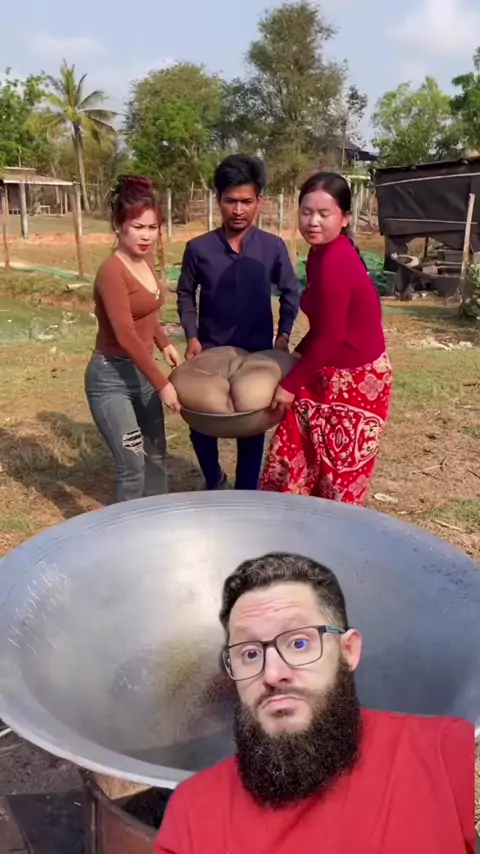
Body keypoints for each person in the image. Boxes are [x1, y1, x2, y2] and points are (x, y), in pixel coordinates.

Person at [154, 551, 475, 854]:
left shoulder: (442, 751)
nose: (272, 674)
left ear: (348, 651)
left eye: (298, 643)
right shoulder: (192, 813)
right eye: (250, 653)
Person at [260, 172, 392, 505]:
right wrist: (297, 357)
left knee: (337, 481)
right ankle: (283, 521)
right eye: (306, 212)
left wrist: (291, 384)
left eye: (324, 213)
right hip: (326, 369)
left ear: (345, 218)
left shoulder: (336, 259)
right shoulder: (319, 254)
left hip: (357, 382)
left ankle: (328, 532)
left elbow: (332, 335)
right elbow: (323, 327)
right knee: (291, 455)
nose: (313, 221)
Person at [177, 154, 300, 491]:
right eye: (230, 201)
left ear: (259, 201)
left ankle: (246, 493)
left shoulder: (272, 247)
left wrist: (283, 335)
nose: (238, 210)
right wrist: (192, 336)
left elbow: (291, 291)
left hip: (258, 351)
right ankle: (213, 479)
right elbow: (185, 294)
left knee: (252, 427)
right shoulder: (198, 248)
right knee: (201, 423)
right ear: (218, 199)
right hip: (210, 351)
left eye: (246, 201)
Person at [85, 175, 183, 503]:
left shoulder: (146, 260)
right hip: (110, 378)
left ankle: (157, 522)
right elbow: (125, 333)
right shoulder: (111, 272)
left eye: (153, 227)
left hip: (142, 372)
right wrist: (162, 383)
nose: (146, 235)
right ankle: (125, 528)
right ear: (118, 224)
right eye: (138, 226)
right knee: (133, 465)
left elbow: (146, 311)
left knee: (156, 457)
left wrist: (164, 343)